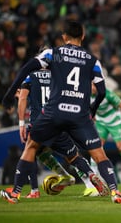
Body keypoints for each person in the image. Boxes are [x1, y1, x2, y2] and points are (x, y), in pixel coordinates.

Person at [0, 21, 121, 204]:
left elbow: (26, 68)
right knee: (99, 154)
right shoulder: (93, 61)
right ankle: (116, 192)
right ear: (83, 36)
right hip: (79, 115)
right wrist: (91, 110)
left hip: (54, 113)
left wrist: (7, 95)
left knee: (31, 147)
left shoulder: (53, 53)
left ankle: (16, 193)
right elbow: (101, 91)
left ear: (64, 36)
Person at [18, 68, 100, 198]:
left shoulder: (31, 77)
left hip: (40, 123)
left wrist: (21, 123)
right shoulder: (60, 76)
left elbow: (22, 97)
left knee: (32, 152)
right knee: (73, 156)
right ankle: (90, 183)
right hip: (59, 120)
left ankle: (35, 190)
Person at [91, 83, 121, 184]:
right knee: (96, 147)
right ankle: (94, 177)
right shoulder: (86, 95)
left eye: (94, 85)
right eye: (91, 85)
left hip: (115, 121)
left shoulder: (107, 93)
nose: (93, 88)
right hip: (101, 122)